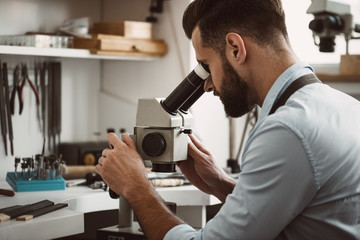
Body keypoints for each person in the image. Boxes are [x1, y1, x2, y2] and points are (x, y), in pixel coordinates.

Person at [96, 0, 360, 239]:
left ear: (235, 48)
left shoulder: (287, 130)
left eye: (207, 65)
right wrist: (221, 185)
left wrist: (136, 187)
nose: (208, 85)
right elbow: (298, 212)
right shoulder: (345, 107)